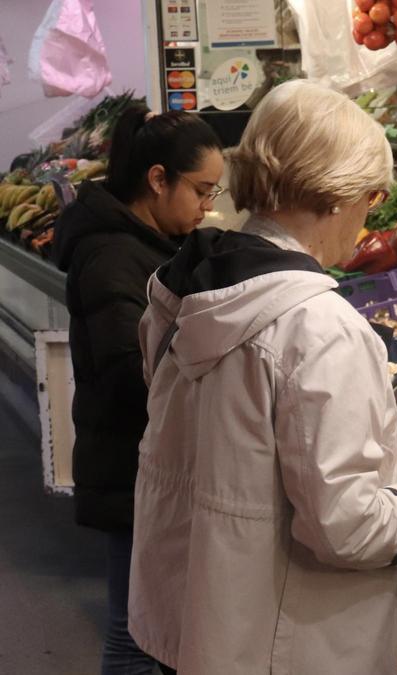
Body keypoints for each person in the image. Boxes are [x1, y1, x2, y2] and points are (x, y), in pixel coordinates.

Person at [127, 80, 397, 674]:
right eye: (371, 196)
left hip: (197, 620)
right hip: (280, 643)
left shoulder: (184, 287)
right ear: (337, 197)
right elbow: (348, 530)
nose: (369, 217)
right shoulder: (321, 329)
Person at [53, 106, 223, 675]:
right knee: (136, 638)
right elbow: (135, 372)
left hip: (144, 465)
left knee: (161, 629)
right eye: (200, 190)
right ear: (157, 179)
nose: (207, 205)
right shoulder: (111, 257)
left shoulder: (144, 242)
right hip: (130, 469)